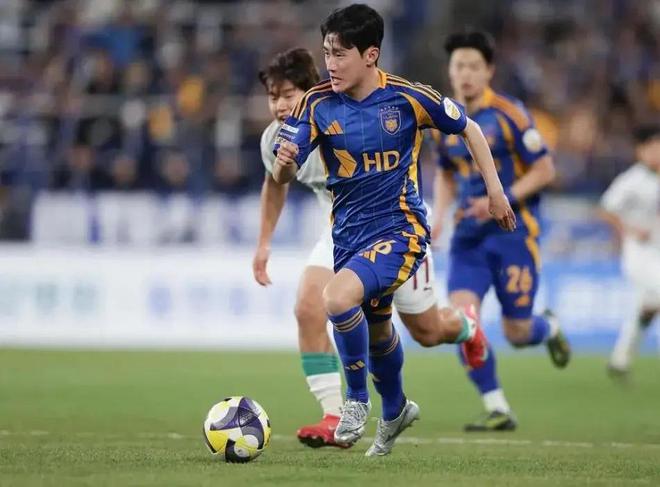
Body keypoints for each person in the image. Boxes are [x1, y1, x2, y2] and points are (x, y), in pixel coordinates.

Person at [273, 5, 515, 456]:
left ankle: (355, 402)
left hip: (401, 230)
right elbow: (284, 174)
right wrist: (285, 163)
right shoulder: (317, 103)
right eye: (326, 53)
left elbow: (470, 129)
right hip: (349, 236)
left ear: (370, 55)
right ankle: (396, 408)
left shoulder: (407, 98)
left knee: (336, 299)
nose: (330, 64)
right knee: (380, 332)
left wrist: (496, 192)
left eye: (340, 54)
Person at [432, 31, 570, 432]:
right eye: (459, 66)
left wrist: (501, 198)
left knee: (518, 332)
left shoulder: (511, 115)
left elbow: (545, 169)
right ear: (450, 71)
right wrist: (438, 216)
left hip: (513, 235)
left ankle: (549, 327)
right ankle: (497, 406)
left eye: (473, 66)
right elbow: (445, 172)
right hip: (467, 238)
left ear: (489, 71)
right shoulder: (443, 119)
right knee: (462, 322)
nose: (465, 74)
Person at [600, 125, 660, 379]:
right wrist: (630, 230)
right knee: (655, 295)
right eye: (653, 147)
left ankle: (619, 360)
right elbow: (606, 209)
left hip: (657, 249)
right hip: (638, 251)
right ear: (641, 150)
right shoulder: (632, 180)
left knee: (645, 306)